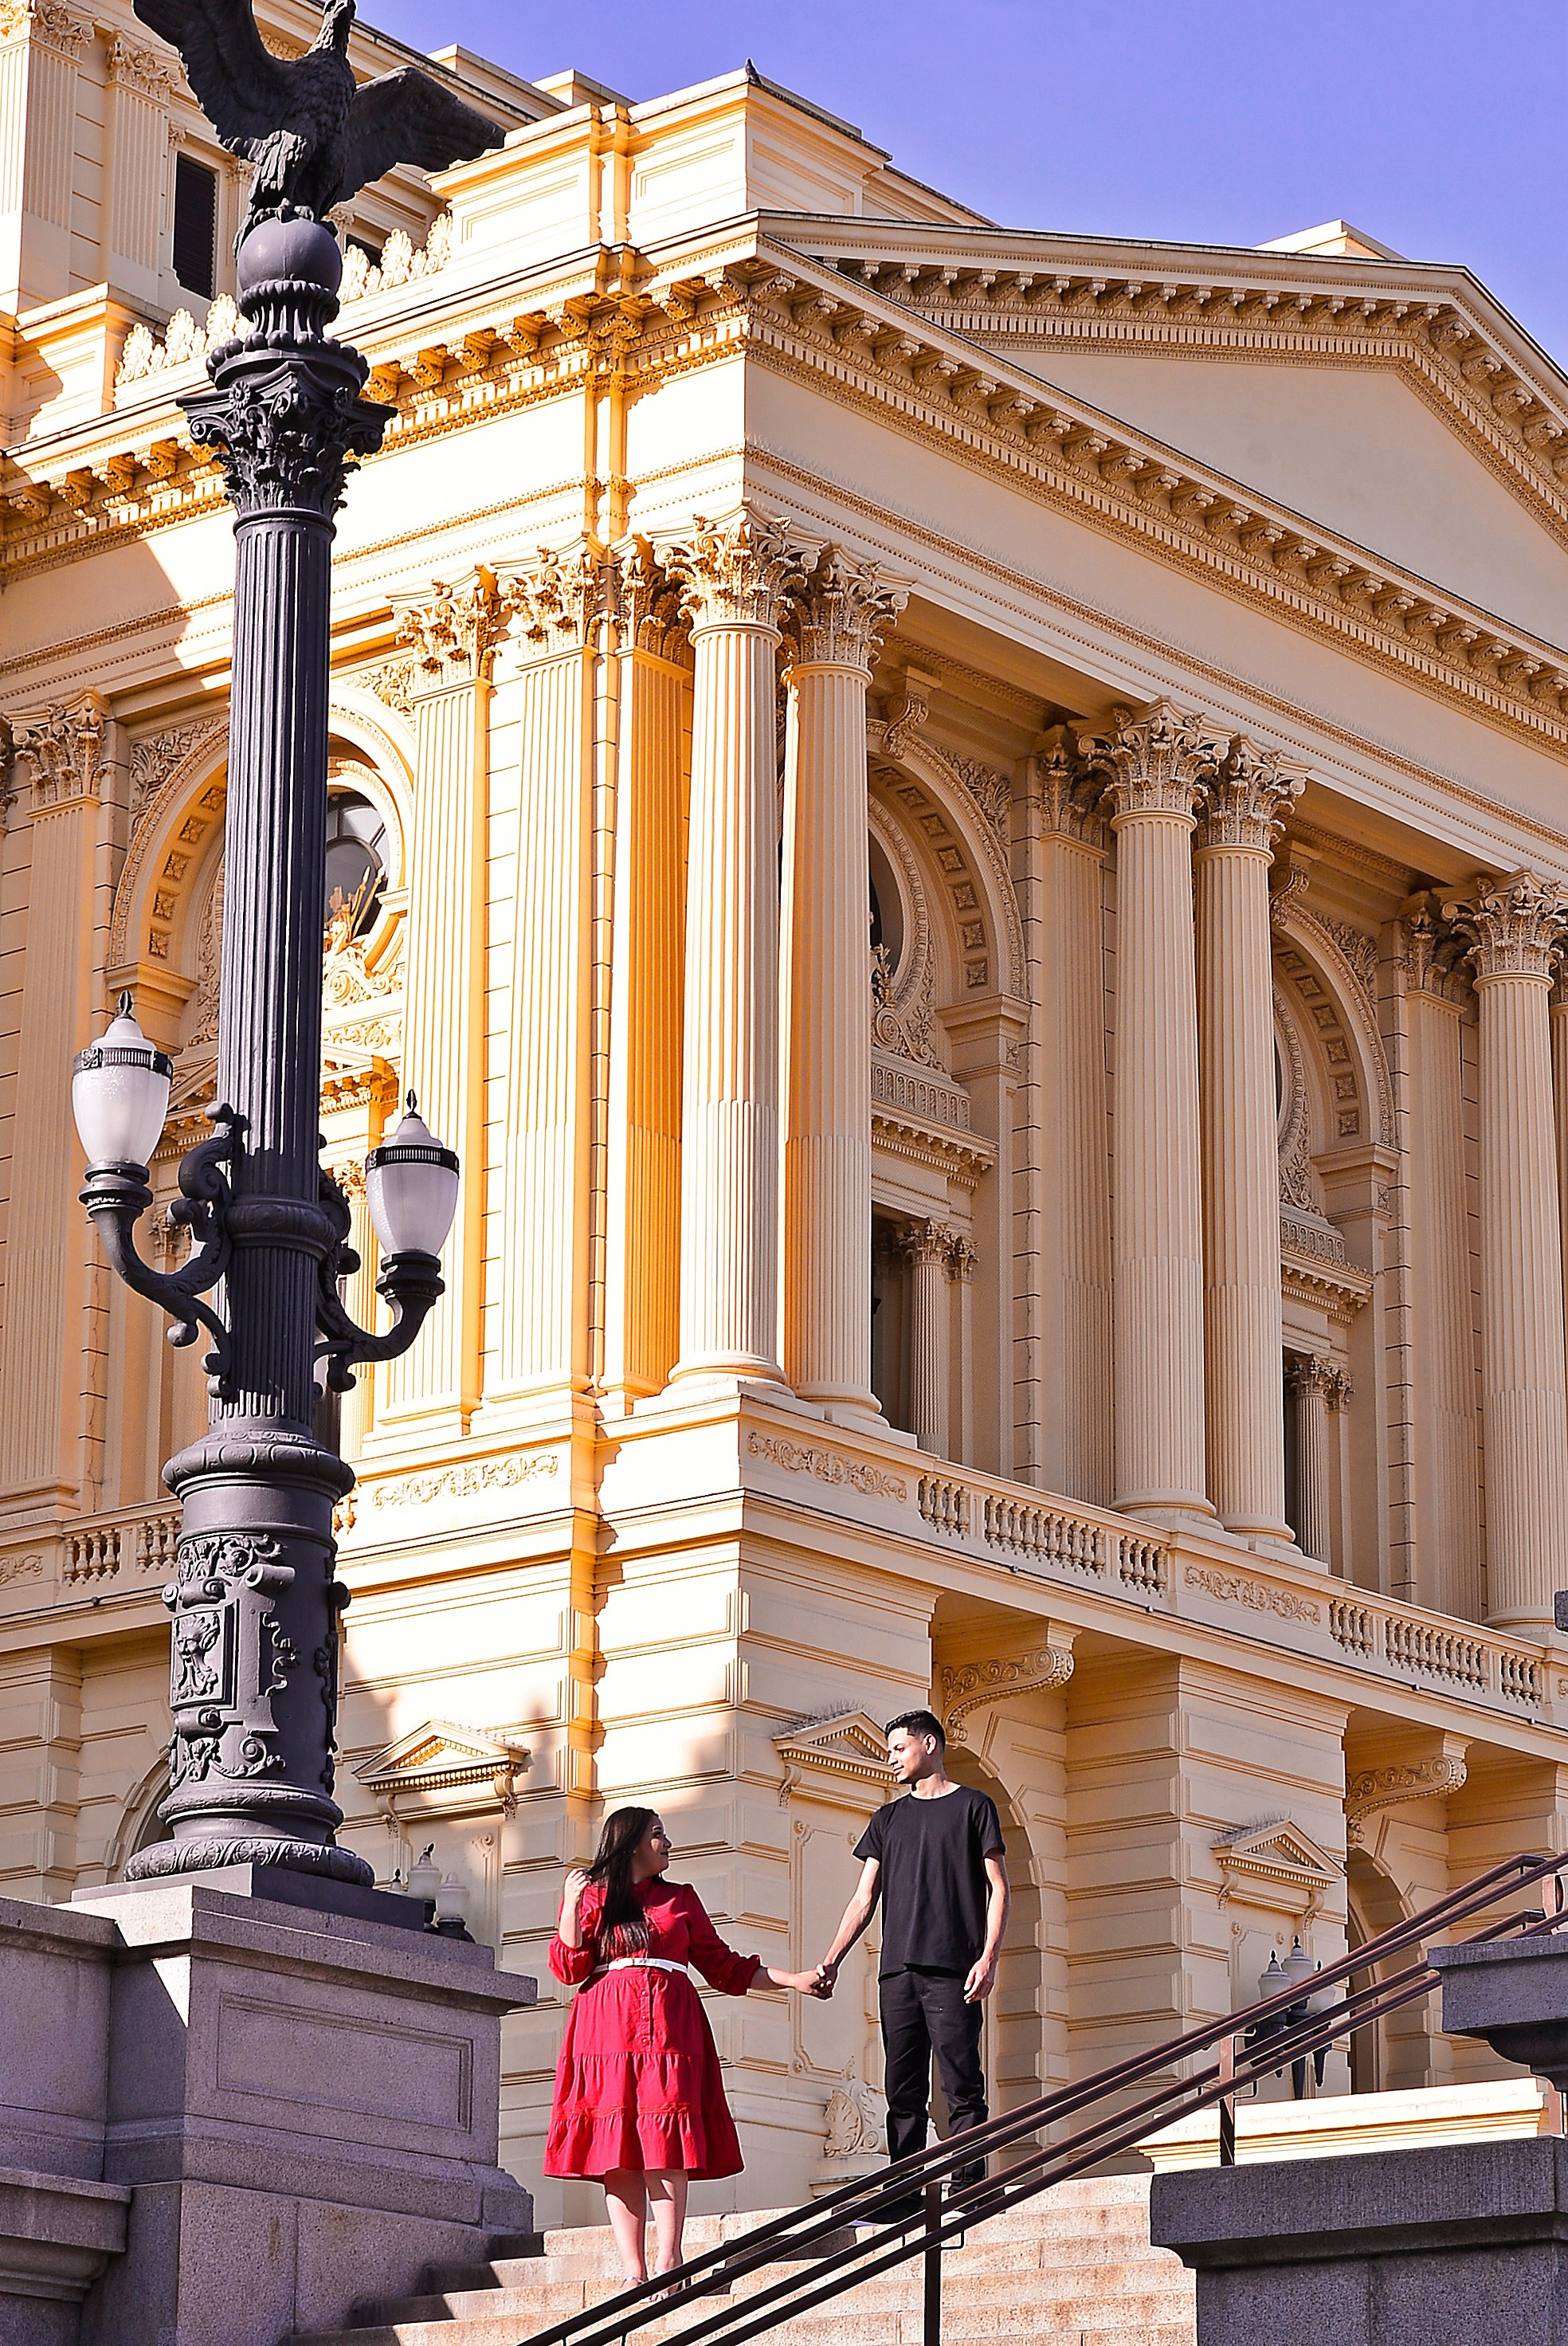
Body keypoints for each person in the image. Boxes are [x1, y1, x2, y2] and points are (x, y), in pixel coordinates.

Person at [546, 1807, 827, 2287]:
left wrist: (794, 1980)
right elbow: (569, 1969)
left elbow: (726, 1967)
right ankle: (634, 2272)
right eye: (657, 1835)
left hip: (671, 2029)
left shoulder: (681, 1899)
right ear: (631, 1843)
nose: (668, 1842)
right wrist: (570, 1906)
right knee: (618, 2151)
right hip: (605, 2033)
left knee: (664, 2140)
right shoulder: (594, 1897)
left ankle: (669, 2260)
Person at [817, 1709, 1009, 2203]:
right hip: (897, 1973)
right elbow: (864, 1899)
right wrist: (833, 1959)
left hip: (954, 1970)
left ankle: (971, 2188)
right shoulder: (888, 1819)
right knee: (902, 2090)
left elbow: (999, 1889)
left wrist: (988, 1957)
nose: (891, 1759)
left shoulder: (974, 1808)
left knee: (962, 2083)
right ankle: (903, 2193)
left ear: (929, 1744)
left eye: (899, 1749)